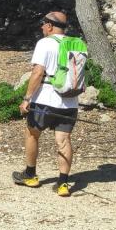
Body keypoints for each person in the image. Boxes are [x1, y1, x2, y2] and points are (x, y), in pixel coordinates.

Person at [12, 11, 79, 196]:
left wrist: (27, 98)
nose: (42, 27)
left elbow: (37, 73)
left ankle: (30, 175)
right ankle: (63, 184)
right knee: (63, 140)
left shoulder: (44, 43)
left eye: (43, 24)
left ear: (50, 25)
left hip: (45, 99)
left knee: (32, 133)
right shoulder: (76, 43)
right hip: (70, 101)